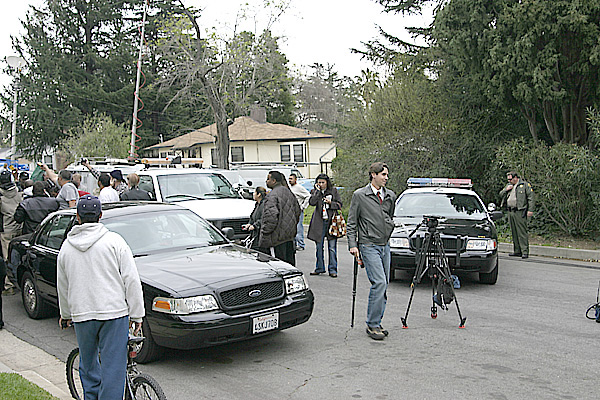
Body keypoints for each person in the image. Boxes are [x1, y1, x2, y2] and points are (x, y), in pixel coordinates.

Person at [57, 195, 145, 400]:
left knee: (88, 364)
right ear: (100, 215)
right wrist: (137, 314)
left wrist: (66, 314)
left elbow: (63, 286)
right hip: (114, 313)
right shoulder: (114, 241)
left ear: (77, 216)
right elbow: (131, 279)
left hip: (82, 313)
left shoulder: (66, 248)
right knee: (113, 368)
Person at [347, 162, 396, 341]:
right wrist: (353, 244)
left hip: (385, 244)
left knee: (384, 285)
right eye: (383, 174)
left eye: (386, 174)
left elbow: (389, 216)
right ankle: (372, 324)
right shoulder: (360, 195)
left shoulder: (390, 195)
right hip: (368, 244)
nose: (386, 177)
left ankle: (377, 321)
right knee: (379, 282)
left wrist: (390, 227)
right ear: (373, 175)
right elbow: (352, 222)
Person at [259, 171, 301, 266]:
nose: (266, 181)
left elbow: (270, 217)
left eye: (268, 179)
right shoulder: (289, 192)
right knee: (289, 265)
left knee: (279, 266)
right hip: (289, 237)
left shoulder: (272, 195)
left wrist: (265, 233)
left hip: (276, 239)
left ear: (274, 181)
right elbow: (297, 211)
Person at [307, 173, 342, 278]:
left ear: (327, 183)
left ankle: (333, 269)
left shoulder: (333, 191)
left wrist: (331, 203)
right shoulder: (315, 192)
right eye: (319, 182)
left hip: (331, 222)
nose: (321, 184)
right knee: (319, 246)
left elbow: (340, 205)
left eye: (323, 182)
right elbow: (312, 202)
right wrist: (317, 192)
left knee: (332, 247)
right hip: (319, 222)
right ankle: (319, 268)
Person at [500, 171, 535, 259]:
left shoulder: (524, 185)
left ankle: (524, 251)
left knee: (521, 232)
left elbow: (531, 198)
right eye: (508, 179)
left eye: (511, 179)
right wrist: (506, 190)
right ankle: (517, 250)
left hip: (520, 211)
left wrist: (530, 210)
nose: (509, 181)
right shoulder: (508, 186)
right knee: (514, 232)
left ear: (516, 178)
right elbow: (500, 194)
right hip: (511, 211)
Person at [0, 170, 23, 295]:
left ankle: (9, 285)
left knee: (6, 257)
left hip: (6, 229)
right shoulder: (18, 192)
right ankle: (18, 281)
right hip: (19, 227)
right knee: (18, 256)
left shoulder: (1, 196)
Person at [242, 186, 269, 253]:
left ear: (259, 194)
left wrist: (254, 226)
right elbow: (253, 216)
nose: (253, 194)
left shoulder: (264, 205)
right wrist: (249, 223)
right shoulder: (257, 204)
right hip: (255, 234)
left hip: (260, 235)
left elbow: (263, 218)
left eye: (254, 192)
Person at [288, 173, 310, 251]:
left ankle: (301, 244)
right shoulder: (289, 188)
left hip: (298, 211)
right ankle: (294, 243)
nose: (290, 180)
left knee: (298, 227)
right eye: (289, 179)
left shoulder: (299, 188)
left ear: (295, 179)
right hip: (291, 211)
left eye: (291, 179)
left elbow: (308, 196)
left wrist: (303, 206)